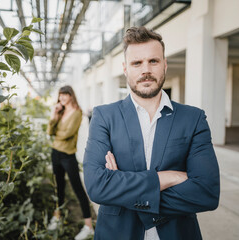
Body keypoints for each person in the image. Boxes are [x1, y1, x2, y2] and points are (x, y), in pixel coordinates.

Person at [83, 27, 220, 240]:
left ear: (164, 64)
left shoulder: (193, 118)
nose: (145, 69)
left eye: (153, 61)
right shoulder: (104, 116)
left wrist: (120, 186)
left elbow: (206, 193)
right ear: (126, 69)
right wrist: (169, 177)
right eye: (137, 63)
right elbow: (97, 187)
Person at [47, 85, 94, 240]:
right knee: (58, 187)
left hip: (68, 156)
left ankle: (89, 226)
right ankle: (57, 216)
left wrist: (56, 132)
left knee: (78, 189)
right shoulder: (59, 112)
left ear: (71, 96)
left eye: (65, 95)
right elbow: (49, 131)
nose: (62, 98)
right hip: (55, 153)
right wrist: (54, 115)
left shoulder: (77, 113)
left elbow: (67, 134)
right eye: (60, 96)